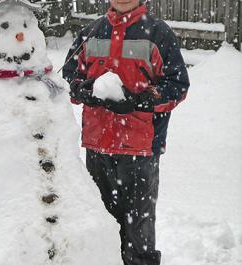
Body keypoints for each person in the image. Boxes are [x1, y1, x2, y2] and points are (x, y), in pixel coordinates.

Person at [62, 0, 189, 264]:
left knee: (138, 230)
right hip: (97, 146)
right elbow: (69, 75)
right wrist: (85, 90)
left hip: (140, 149)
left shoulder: (158, 33)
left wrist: (141, 99)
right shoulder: (92, 31)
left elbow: (177, 85)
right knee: (100, 222)